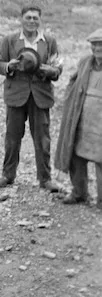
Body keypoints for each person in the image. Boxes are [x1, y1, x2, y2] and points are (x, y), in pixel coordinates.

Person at [0, 5, 62, 192]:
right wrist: (9, 66)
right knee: (12, 137)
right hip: (16, 94)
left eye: (35, 18)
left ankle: (45, 179)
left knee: (42, 139)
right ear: (21, 19)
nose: (32, 21)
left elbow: (58, 68)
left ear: (40, 20)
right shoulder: (10, 40)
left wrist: (51, 70)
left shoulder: (49, 41)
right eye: (28, 17)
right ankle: (8, 175)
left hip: (40, 95)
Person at [54, 28, 102, 207]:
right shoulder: (85, 63)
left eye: (101, 44)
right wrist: (70, 100)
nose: (98, 48)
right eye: (95, 44)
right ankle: (79, 193)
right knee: (76, 155)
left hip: (100, 123)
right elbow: (72, 82)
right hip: (82, 119)